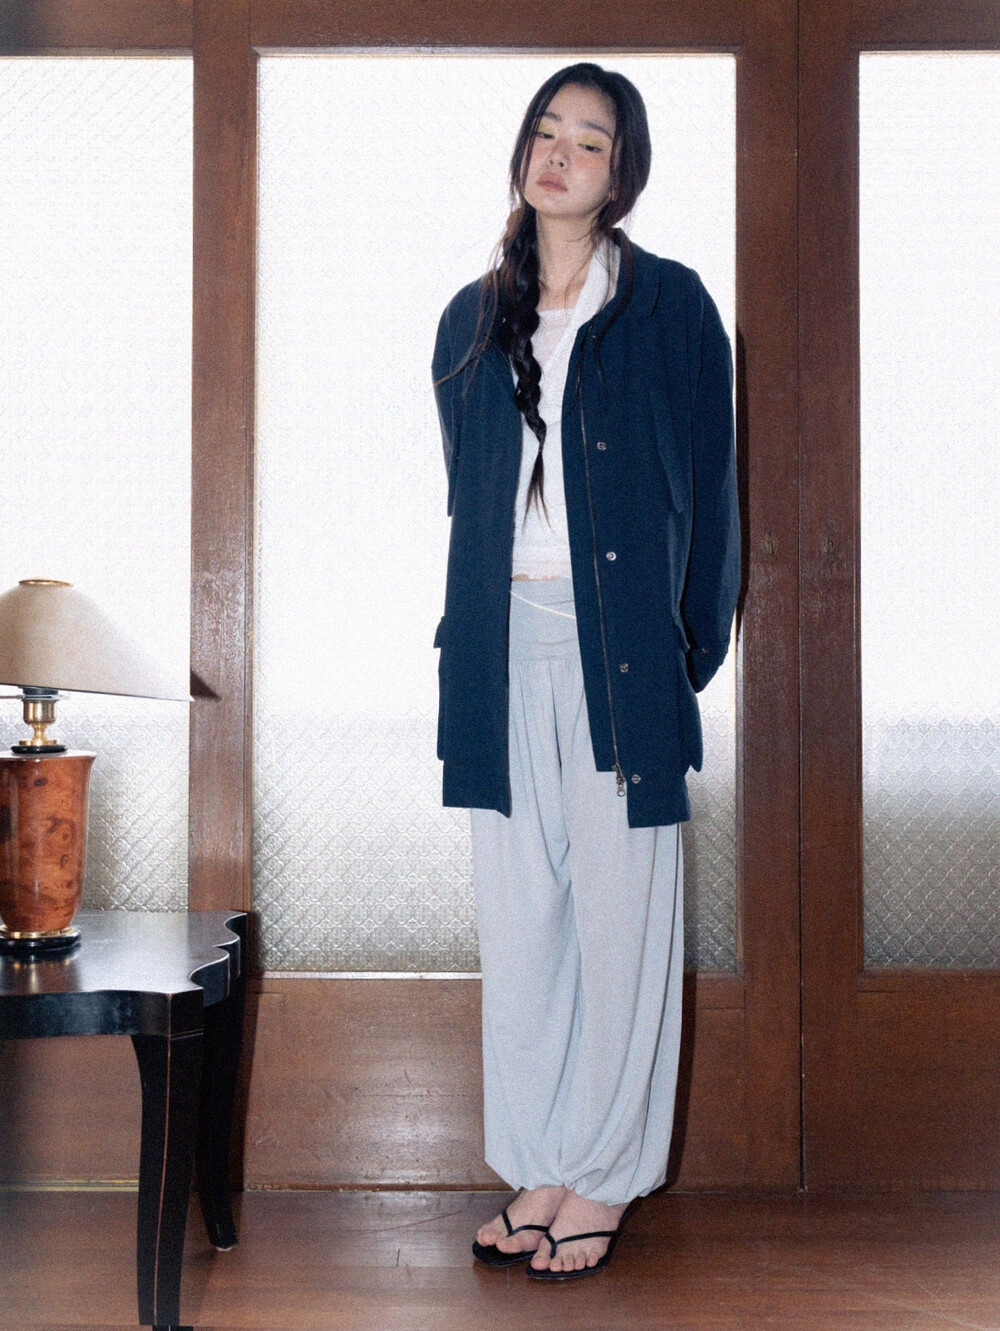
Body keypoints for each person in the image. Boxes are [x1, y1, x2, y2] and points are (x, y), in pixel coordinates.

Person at [432, 62, 739, 1280]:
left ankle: (604, 1173)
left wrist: (683, 652)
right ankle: (541, 1162)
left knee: (622, 924)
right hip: (496, 649)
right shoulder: (470, 317)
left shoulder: (671, 307)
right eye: (546, 132)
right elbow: (465, 495)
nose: (558, 154)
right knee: (522, 926)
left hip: (623, 657)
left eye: (590, 141)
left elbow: (711, 494)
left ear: (622, 175)